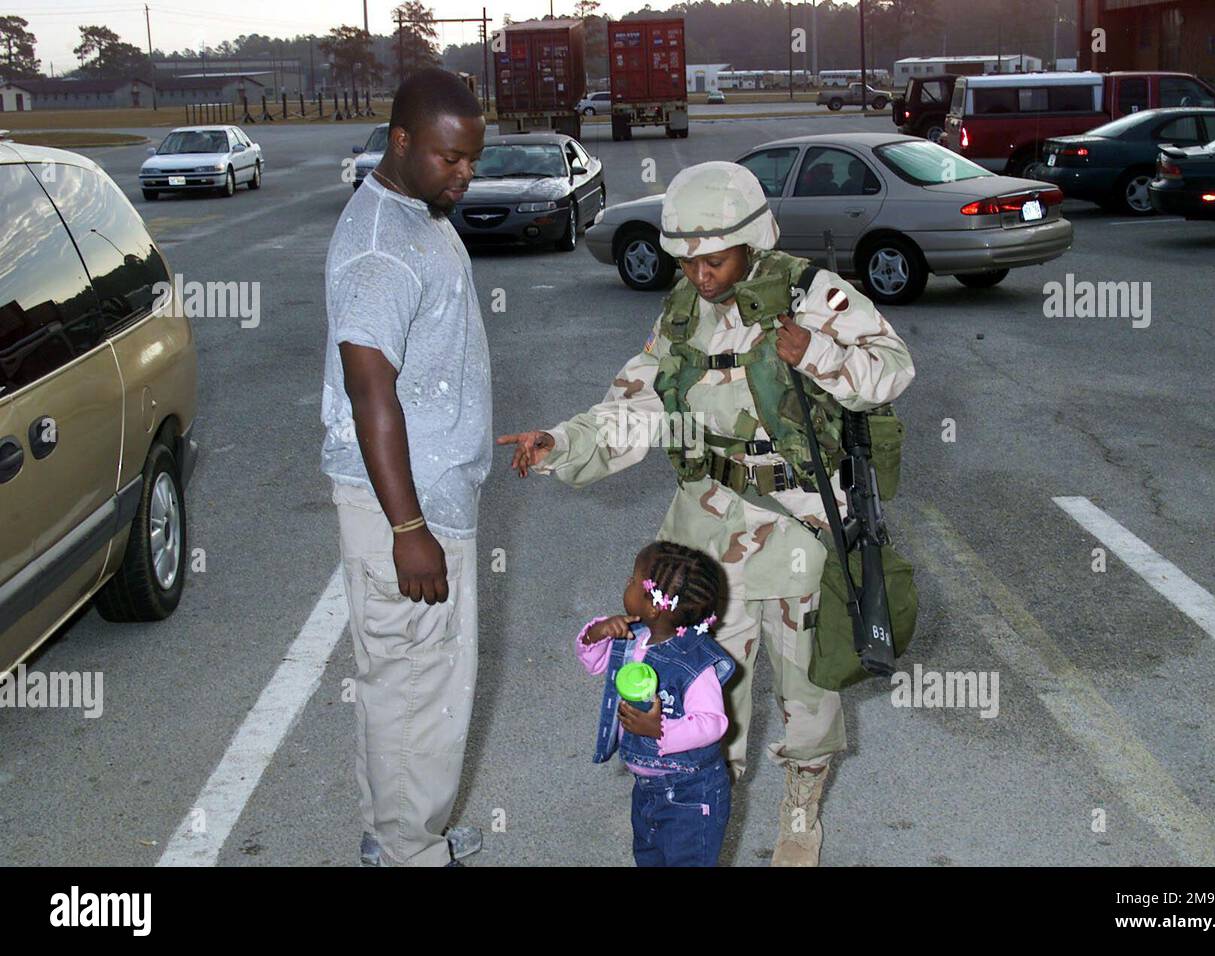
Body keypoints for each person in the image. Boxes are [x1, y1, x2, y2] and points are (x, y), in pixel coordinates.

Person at [498, 161, 915, 866]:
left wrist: (816, 352)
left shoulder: (813, 296)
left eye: (714, 259)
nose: (700, 274)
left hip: (797, 525)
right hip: (704, 533)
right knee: (699, 682)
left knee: (808, 690)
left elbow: (892, 370)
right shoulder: (684, 313)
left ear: (752, 239)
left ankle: (802, 808)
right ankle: (703, 807)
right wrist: (561, 443)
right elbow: (638, 404)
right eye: (687, 261)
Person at [320, 68, 490, 867]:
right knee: (419, 690)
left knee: (406, 685)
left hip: (426, 492)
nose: (464, 173)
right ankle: (408, 853)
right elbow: (369, 390)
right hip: (405, 507)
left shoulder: (418, 211)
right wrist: (409, 527)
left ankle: (398, 835)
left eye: (472, 159)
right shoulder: (381, 249)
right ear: (400, 143)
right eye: (449, 158)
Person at [576, 541, 734, 867]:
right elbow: (592, 662)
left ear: (654, 606)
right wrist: (597, 634)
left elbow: (713, 722)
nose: (627, 584)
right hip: (647, 785)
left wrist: (660, 729)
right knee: (649, 856)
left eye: (633, 580)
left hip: (691, 792)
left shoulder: (695, 663)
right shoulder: (632, 638)